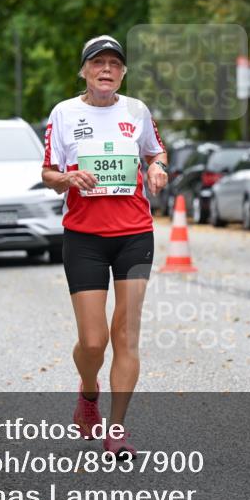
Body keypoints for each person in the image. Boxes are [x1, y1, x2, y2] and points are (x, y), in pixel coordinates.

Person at [41, 35, 168, 458]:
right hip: (84, 236)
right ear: (84, 71)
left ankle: (116, 430)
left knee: (126, 335)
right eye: (98, 63)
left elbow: (156, 153)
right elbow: (47, 172)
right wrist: (67, 179)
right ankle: (88, 393)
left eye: (115, 63)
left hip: (134, 233)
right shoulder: (64, 113)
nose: (107, 69)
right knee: (94, 341)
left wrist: (157, 171)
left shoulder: (137, 111)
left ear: (123, 72)